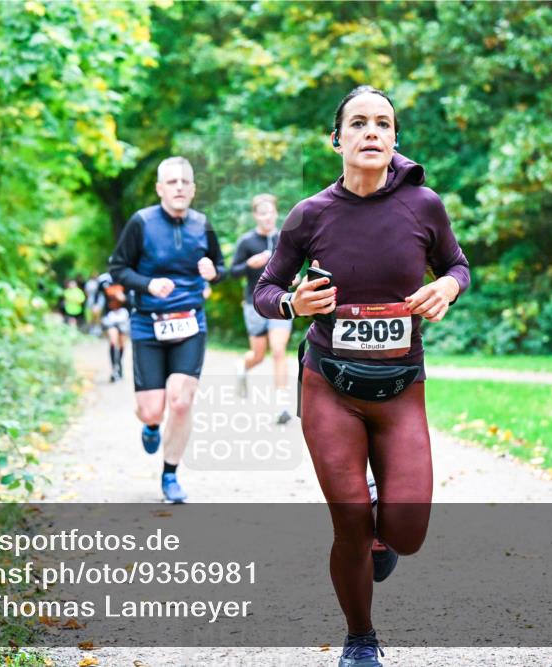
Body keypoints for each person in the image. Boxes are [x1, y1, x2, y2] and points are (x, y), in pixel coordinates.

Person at [253, 86, 470, 667]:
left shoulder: (424, 206)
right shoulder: (310, 214)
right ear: (338, 140)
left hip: (401, 387)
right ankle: (360, 639)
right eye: (358, 123)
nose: (371, 131)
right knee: (349, 519)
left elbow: (456, 264)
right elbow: (264, 291)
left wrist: (447, 287)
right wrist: (293, 304)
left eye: (382, 123)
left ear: (395, 139)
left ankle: (379, 519)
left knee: (406, 533)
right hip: (329, 384)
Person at [109, 156, 225, 503]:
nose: (178, 187)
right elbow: (117, 268)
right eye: (171, 182)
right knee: (152, 409)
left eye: (184, 182)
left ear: (193, 189)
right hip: (148, 324)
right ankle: (149, 425)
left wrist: (211, 271)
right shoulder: (141, 223)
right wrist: (146, 284)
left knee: (181, 401)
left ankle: (170, 475)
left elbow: (218, 266)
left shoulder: (202, 224)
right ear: (160, 188)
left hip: (190, 322)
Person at [230, 193, 295, 424]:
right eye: (262, 213)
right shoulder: (246, 242)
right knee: (258, 355)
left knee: (278, 350)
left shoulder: (285, 238)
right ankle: (243, 365)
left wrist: (294, 278)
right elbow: (232, 272)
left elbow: (294, 268)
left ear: (276, 213)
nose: (267, 217)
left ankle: (282, 405)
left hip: (280, 300)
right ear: (256, 216)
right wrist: (249, 264)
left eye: (270, 212)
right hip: (254, 303)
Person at [95, 271, 130, 382]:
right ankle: (114, 369)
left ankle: (120, 366)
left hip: (123, 315)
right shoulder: (104, 280)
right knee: (113, 341)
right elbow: (97, 295)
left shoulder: (127, 278)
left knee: (121, 344)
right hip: (109, 315)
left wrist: (124, 298)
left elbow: (133, 299)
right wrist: (96, 306)